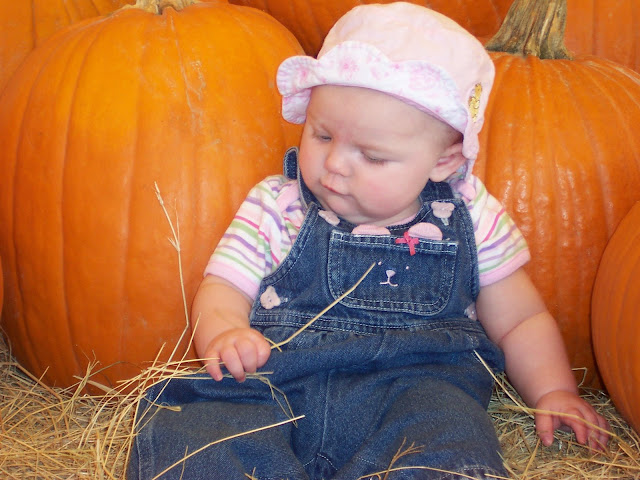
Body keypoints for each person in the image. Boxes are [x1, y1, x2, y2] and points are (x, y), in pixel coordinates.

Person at [127, 3, 610, 479]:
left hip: (414, 388)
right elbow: (224, 286)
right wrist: (226, 330)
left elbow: (521, 320)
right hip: (277, 380)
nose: (335, 164)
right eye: (321, 135)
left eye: (373, 157)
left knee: (446, 437)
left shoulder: (471, 215)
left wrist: (554, 391)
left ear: (443, 161)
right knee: (199, 433)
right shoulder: (277, 204)